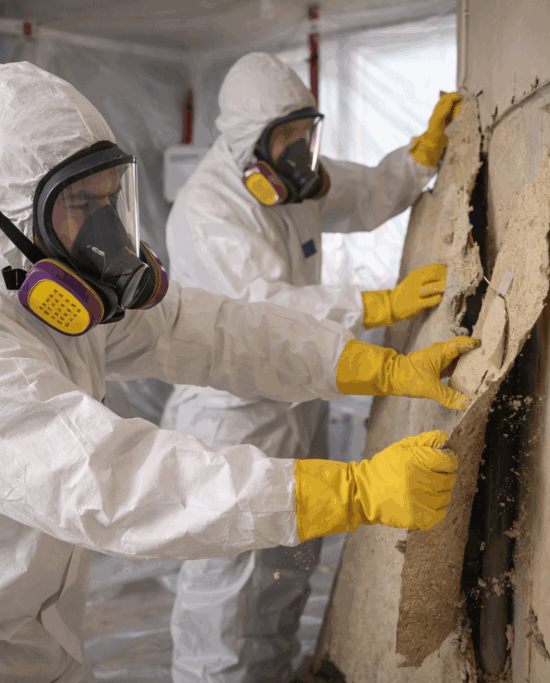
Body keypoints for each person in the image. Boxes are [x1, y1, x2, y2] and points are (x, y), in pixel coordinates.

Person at [0, 61, 476, 683]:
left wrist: (370, 365)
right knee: (227, 601)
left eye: (112, 199)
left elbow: (207, 330)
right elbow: (107, 481)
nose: (106, 231)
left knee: (272, 583)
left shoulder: (36, 263)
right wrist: (354, 490)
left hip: (30, 616)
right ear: (9, 214)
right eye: (82, 205)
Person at [161, 52, 464, 683]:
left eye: (307, 133)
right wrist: (375, 305)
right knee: (230, 581)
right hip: (235, 419)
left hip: (297, 402)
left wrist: (420, 157)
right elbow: (261, 312)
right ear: (250, 141)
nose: (302, 152)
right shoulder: (207, 210)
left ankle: (274, 672)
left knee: (291, 561)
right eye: (289, 138)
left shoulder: (288, 180)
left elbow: (364, 195)